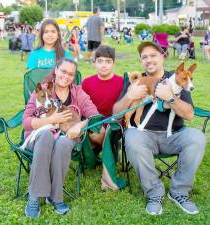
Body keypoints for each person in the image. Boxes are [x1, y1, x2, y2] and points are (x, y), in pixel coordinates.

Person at [113, 41, 206, 215]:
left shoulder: (178, 78)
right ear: (141, 61)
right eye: (144, 57)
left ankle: (179, 192)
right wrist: (129, 96)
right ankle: (154, 193)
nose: (149, 60)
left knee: (197, 137)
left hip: (173, 136)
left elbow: (189, 114)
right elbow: (116, 113)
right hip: (143, 136)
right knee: (132, 137)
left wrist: (170, 98)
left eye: (153, 55)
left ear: (163, 56)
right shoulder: (137, 80)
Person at [23, 58, 103, 218]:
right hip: (39, 137)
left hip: (67, 134)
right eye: (63, 71)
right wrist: (51, 120)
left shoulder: (78, 93)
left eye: (71, 74)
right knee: (46, 135)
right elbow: (26, 122)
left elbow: (95, 116)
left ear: (74, 77)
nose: (66, 76)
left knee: (64, 142)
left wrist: (79, 125)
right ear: (56, 70)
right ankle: (35, 196)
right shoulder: (42, 91)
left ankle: (55, 197)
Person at [82, 45, 124, 190]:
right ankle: (104, 154)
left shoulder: (121, 82)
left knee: (107, 132)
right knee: (94, 131)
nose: (104, 65)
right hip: (94, 121)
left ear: (113, 62)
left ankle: (108, 175)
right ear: (95, 62)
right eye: (100, 61)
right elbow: (83, 107)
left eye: (107, 61)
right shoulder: (87, 82)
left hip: (114, 123)